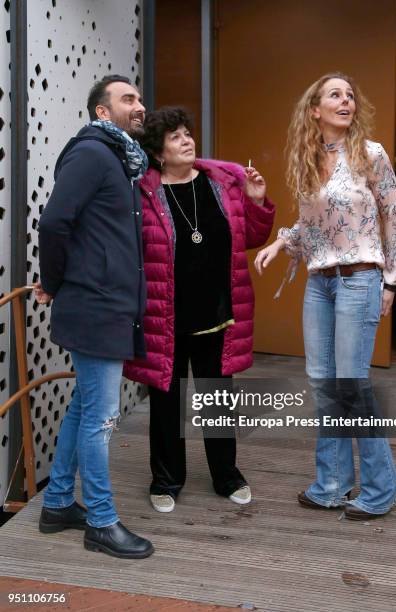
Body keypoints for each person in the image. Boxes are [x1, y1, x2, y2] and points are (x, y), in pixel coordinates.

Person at [254, 72, 396, 520]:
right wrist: (281, 241)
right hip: (321, 283)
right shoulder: (310, 160)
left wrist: (392, 281)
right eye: (335, 95)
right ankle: (330, 484)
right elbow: (313, 223)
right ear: (315, 110)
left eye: (350, 94)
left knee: (351, 385)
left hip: (360, 279)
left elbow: (393, 218)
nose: (345, 100)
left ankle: (380, 488)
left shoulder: (370, 155)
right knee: (324, 384)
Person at [124, 107, 275, 513]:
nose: (187, 140)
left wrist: (258, 202)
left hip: (217, 315)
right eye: (175, 137)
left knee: (217, 401)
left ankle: (227, 476)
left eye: (188, 134)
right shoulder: (142, 194)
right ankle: (166, 480)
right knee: (166, 404)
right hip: (166, 319)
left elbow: (251, 238)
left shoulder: (222, 186)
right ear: (158, 152)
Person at [35, 75, 154, 558]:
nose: (139, 105)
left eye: (140, 98)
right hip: (95, 304)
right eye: (128, 99)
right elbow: (54, 222)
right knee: (101, 417)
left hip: (105, 303)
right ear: (102, 112)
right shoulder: (91, 153)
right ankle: (101, 521)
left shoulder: (118, 159)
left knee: (85, 407)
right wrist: (57, 282)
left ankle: (59, 502)